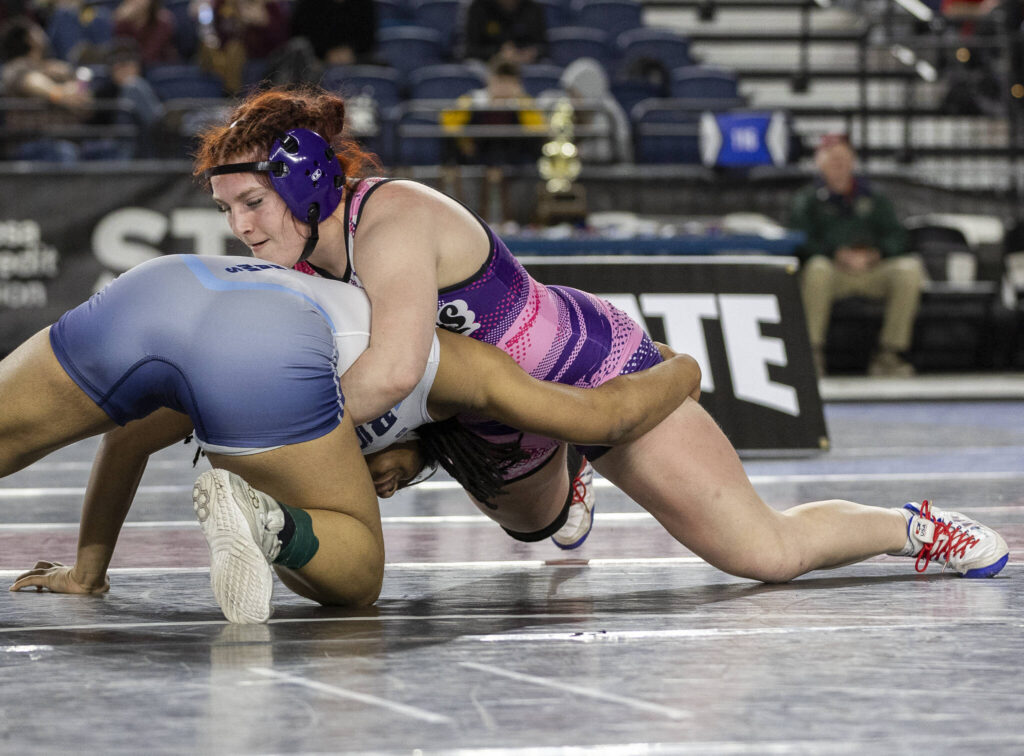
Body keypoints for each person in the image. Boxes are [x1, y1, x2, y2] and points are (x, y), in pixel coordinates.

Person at [191, 87, 1009, 590]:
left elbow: (394, 371)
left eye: (252, 203)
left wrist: (271, 438)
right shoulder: (301, 264)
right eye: (227, 210)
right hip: (482, 414)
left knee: (764, 554)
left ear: (305, 178)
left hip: (588, 371)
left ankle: (910, 528)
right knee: (531, 530)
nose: (241, 228)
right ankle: (566, 473)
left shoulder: (392, 219)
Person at [5, 253, 700, 624]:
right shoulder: (461, 367)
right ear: (440, 440)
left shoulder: (351, 336)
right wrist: (684, 369)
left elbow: (125, 440)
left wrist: (88, 572)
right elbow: (603, 419)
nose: (387, 484)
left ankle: (271, 517)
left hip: (160, 285)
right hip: (261, 334)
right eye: (405, 471)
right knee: (358, 576)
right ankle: (271, 522)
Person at [789, 134, 926, 378]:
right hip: (833, 272)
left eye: (843, 159)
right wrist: (835, 254)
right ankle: (812, 355)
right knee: (817, 268)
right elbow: (801, 240)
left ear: (852, 161)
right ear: (819, 163)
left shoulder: (873, 197)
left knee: (909, 269)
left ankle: (889, 355)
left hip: (871, 270)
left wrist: (876, 254)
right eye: (832, 159)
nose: (839, 164)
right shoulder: (807, 200)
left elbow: (897, 236)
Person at [0, 16, 93, 161]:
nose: (43, 33)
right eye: (37, 30)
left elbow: (84, 101)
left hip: (70, 140)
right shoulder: (16, 67)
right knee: (63, 152)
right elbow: (36, 84)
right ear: (29, 39)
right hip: (33, 142)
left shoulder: (56, 68)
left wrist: (75, 90)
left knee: (108, 151)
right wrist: (61, 93)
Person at [463, 0, 548, 65]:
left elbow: (543, 47)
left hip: (525, 64)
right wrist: (499, 53)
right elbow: (470, 49)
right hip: (487, 64)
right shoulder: (478, 7)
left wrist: (531, 53)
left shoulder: (533, 8)